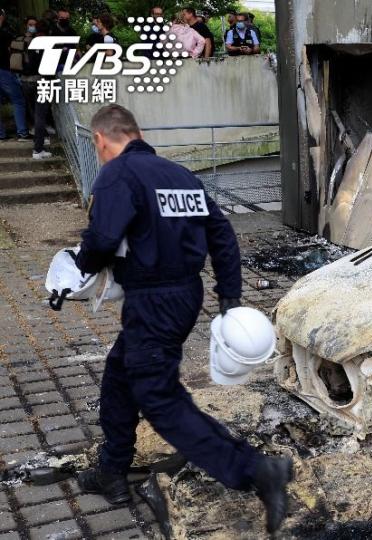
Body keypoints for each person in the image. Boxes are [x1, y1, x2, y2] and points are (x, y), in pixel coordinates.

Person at [73, 104, 293, 534]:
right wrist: (229, 293)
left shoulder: (118, 174)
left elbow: (101, 239)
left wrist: (79, 263)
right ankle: (112, 470)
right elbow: (223, 233)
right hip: (184, 295)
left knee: (159, 396)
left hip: (154, 300)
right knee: (121, 374)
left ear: (102, 139)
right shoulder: (179, 175)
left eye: (98, 147)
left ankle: (255, 470)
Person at [0, 9, 30, 142]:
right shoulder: (5, 35)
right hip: (4, 71)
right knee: (18, 100)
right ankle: (22, 133)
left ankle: (1, 134)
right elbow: (14, 50)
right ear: (1, 17)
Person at [26, 19, 52, 160]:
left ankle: (40, 143)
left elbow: (29, 65)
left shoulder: (31, 43)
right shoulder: (48, 44)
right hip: (43, 81)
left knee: (36, 114)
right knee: (41, 115)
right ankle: (38, 149)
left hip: (29, 82)